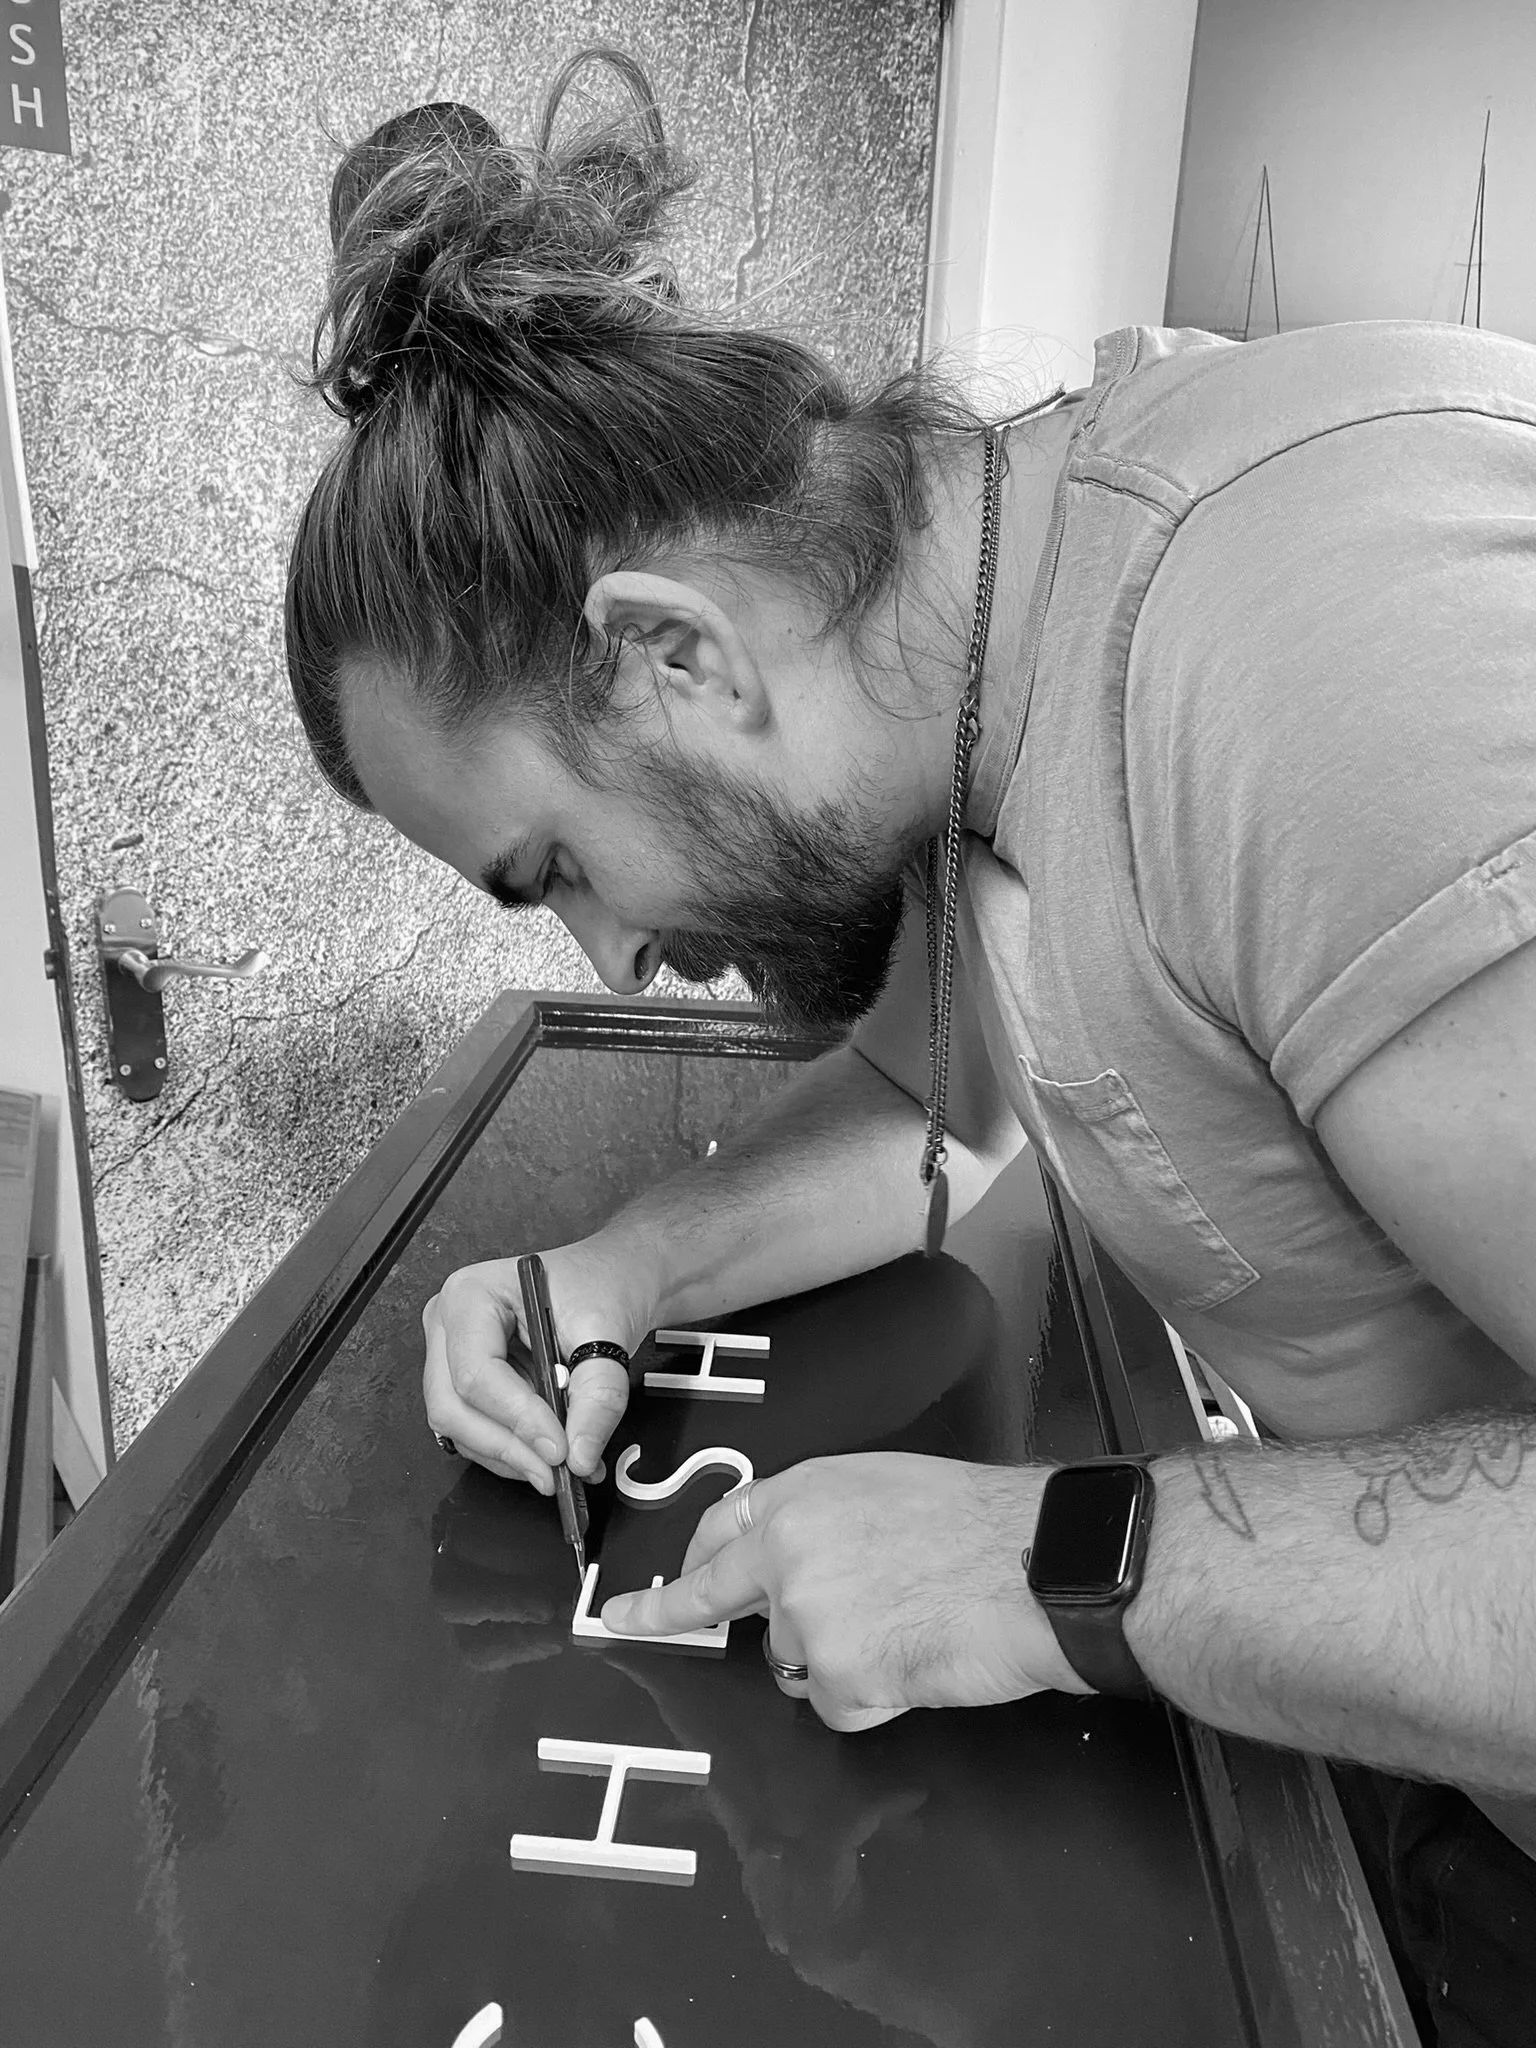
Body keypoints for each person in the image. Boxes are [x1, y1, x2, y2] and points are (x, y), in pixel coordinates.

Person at [285, 49, 1536, 2044]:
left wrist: (1049, 1562)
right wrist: (617, 1271)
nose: (618, 949)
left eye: (556, 866)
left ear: (674, 650)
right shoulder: (977, 667)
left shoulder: (1310, 664)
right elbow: (944, 1096)